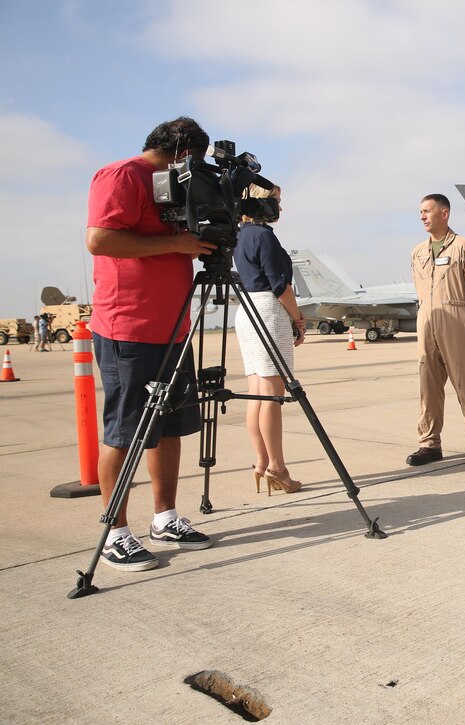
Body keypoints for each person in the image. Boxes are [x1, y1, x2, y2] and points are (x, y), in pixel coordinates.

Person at [85, 116, 218, 572]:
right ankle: (115, 533)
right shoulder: (124, 175)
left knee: (172, 427)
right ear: (184, 151)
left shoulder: (174, 186)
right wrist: (176, 243)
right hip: (129, 327)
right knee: (125, 430)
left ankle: (165, 518)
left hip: (173, 328)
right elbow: (99, 239)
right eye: (195, 160)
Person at [232, 183, 305, 495]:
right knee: (273, 394)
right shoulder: (263, 235)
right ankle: (278, 466)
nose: (280, 208)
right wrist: (297, 318)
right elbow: (280, 285)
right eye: (276, 201)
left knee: (257, 391)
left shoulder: (240, 235)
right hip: (267, 310)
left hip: (246, 311)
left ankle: (261, 462)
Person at [408, 193, 465, 468]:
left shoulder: (464, 247)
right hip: (426, 319)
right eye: (420, 211)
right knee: (427, 385)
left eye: (427, 211)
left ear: (444, 213)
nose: (422, 216)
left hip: (455, 317)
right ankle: (429, 444)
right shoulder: (417, 252)